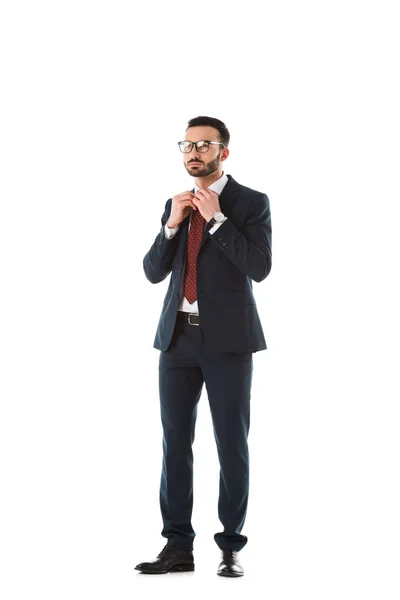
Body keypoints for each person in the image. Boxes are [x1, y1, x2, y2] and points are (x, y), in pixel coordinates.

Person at [135, 116, 272, 577]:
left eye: (204, 144)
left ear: (223, 152)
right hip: (177, 340)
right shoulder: (176, 204)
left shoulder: (250, 203)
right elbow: (154, 272)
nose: (193, 152)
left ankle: (230, 546)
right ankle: (177, 546)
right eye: (187, 144)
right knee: (175, 442)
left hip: (229, 342)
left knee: (231, 442)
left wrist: (216, 219)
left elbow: (259, 267)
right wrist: (172, 225)